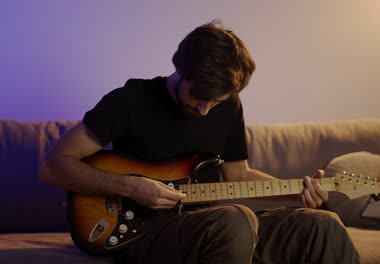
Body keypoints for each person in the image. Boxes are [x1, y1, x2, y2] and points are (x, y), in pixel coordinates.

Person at [39, 21, 360, 264]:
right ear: (180, 69)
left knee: (323, 225)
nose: (204, 109)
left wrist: (299, 191)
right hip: (144, 234)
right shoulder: (128, 101)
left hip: (216, 233)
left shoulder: (230, 105)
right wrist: (132, 188)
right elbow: (54, 166)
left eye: (215, 102)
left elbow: (239, 178)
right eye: (198, 96)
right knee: (235, 219)